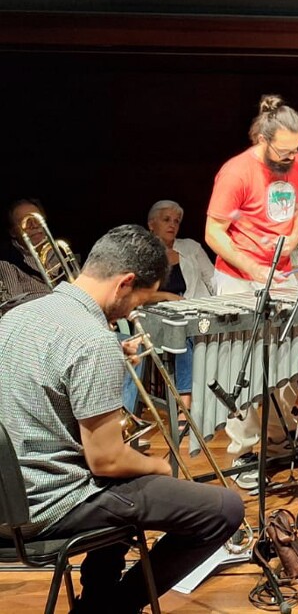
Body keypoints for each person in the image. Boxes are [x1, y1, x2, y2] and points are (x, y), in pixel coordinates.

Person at [0, 225, 244, 614]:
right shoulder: (92, 340)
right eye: (139, 300)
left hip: (9, 499)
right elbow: (106, 461)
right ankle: (111, 609)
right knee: (223, 509)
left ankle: (97, 597)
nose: (133, 312)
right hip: (47, 507)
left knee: (129, 486)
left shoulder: (17, 315)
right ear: (125, 283)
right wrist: (157, 467)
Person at [204, 94, 298, 465]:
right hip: (238, 276)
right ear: (263, 140)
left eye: (297, 149)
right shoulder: (236, 172)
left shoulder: (297, 163)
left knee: (287, 361)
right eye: (284, 151)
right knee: (243, 365)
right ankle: (245, 450)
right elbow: (213, 232)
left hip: (281, 274)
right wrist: (252, 268)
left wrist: (292, 241)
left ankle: (280, 441)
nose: (291, 157)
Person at [125, 200, 216, 412]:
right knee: (181, 332)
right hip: (155, 315)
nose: (172, 225)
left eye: (176, 221)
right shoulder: (140, 253)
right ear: (151, 224)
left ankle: (214, 401)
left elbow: (213, 280)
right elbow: (133, 294)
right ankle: (185, 403)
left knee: (213, 332)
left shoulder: (191, 247)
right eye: (166, 219)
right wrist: (166, 296)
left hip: (194, 309)